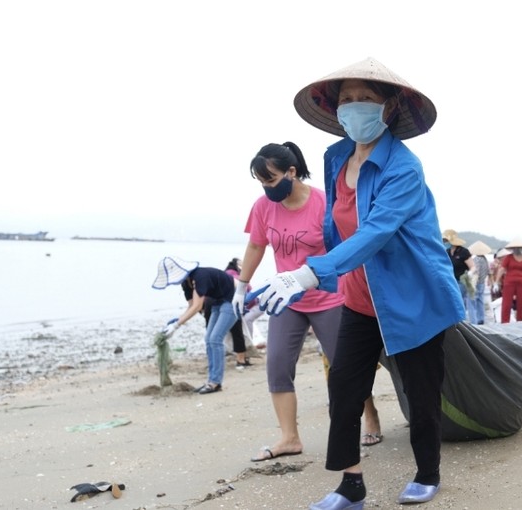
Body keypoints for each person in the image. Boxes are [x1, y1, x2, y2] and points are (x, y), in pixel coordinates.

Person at [251, 57, 463, 508]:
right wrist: (299, 278)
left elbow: (375, 232)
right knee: (344, 389)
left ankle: (428, 473)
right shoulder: (335, 157)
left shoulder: (404, 168)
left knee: (420, 393)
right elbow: (336, 226)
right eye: (347, 99)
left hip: (412, 298)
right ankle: (351, 485)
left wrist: (311, 271)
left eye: (366, 99)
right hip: (359, 298)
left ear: (388, 108)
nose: (354, 107)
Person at [232, 141, 382, 463]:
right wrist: (241, 287)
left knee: (344, 366)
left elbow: (349, 247)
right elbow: (256, 246)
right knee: (277, 365)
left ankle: (370, 415)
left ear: (291, 171)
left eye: (271, 180)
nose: (267, 188)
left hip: (329, 296)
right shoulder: (262, 207)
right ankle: (289, 437)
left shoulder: (324, 203)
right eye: (262, 183)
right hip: (287, 299)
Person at [151, 257, 238, 394]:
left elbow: (198, 306)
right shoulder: (186, 283)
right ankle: (211, 381)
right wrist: (175, 322)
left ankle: (215, 383)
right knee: (209, 339)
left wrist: (177, 326)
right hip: (217, 303)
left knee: (215, 339)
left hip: (233, 301)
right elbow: (191, 306)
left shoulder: (200, 276)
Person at [495, 238, 522, 323]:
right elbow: (501, 269)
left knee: (521, 304)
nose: (517, 249)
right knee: (506, 304)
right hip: (509, 283)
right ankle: (505, 323)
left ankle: (519, 322)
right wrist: (496, 282)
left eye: (519, 247)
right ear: (512, 248)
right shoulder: (508, 258)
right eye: (515, 248)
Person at [442, 229, 474, 319]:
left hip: (461, 281)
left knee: (458, 301)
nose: (444, 242)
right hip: (451, 280)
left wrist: (471, 272)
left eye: (446, 241)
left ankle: (462, 321)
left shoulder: (463, 252)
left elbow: (473, 266)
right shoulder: (447, 252)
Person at [467, 241, 492, 325]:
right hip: (482, 282)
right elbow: (488, 271)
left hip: (476, 283)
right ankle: (481, 318)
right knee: (480, 301)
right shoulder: (485, 259)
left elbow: (476, 272)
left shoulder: (476, 259)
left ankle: (473, 321)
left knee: (472, 302)